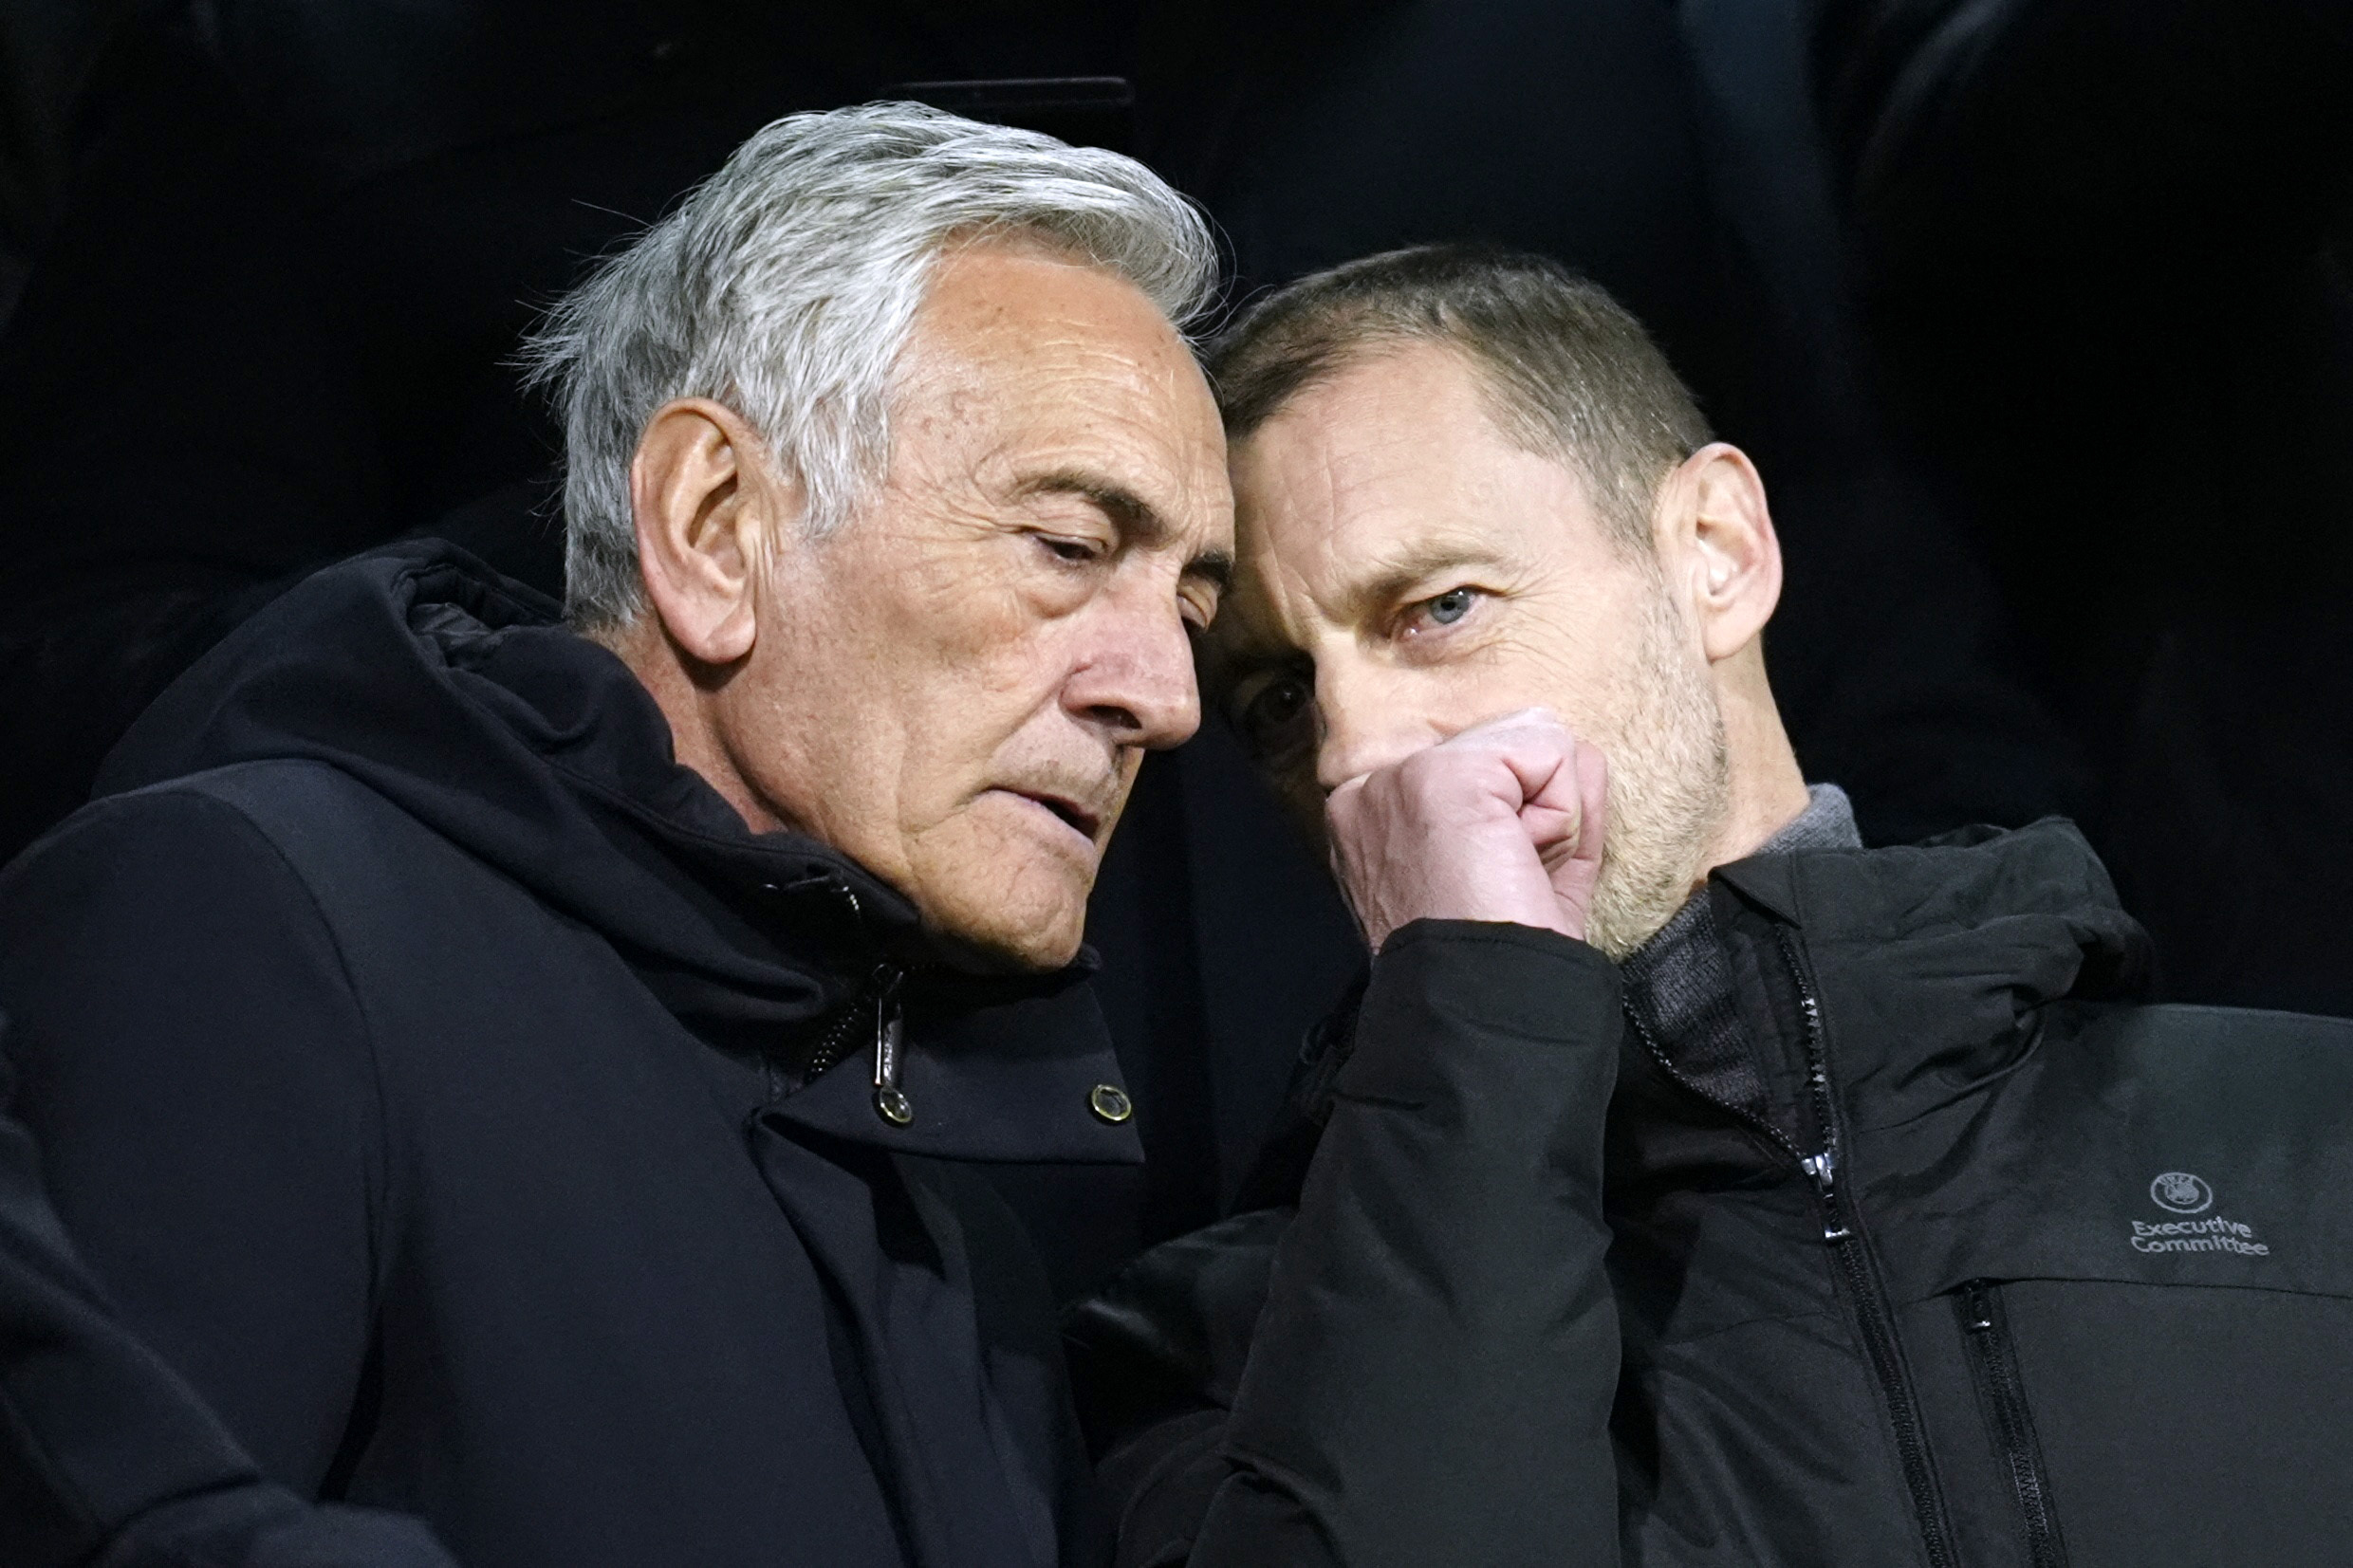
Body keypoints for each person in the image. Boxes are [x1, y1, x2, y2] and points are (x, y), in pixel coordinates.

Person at [0, 102, 1233, 1568]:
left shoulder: (958, 1199)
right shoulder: (257, 924)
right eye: (1070, 549)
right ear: (715, 528)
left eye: (1195, 613)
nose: (1164, 695)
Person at [1067, 246, 2353, 1567]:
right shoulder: (1232, 1344)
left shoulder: (2307, 1138)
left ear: (1719, 553)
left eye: (1440, 608)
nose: (1353, 752)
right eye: (1280, 701)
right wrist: (1474, 1009)